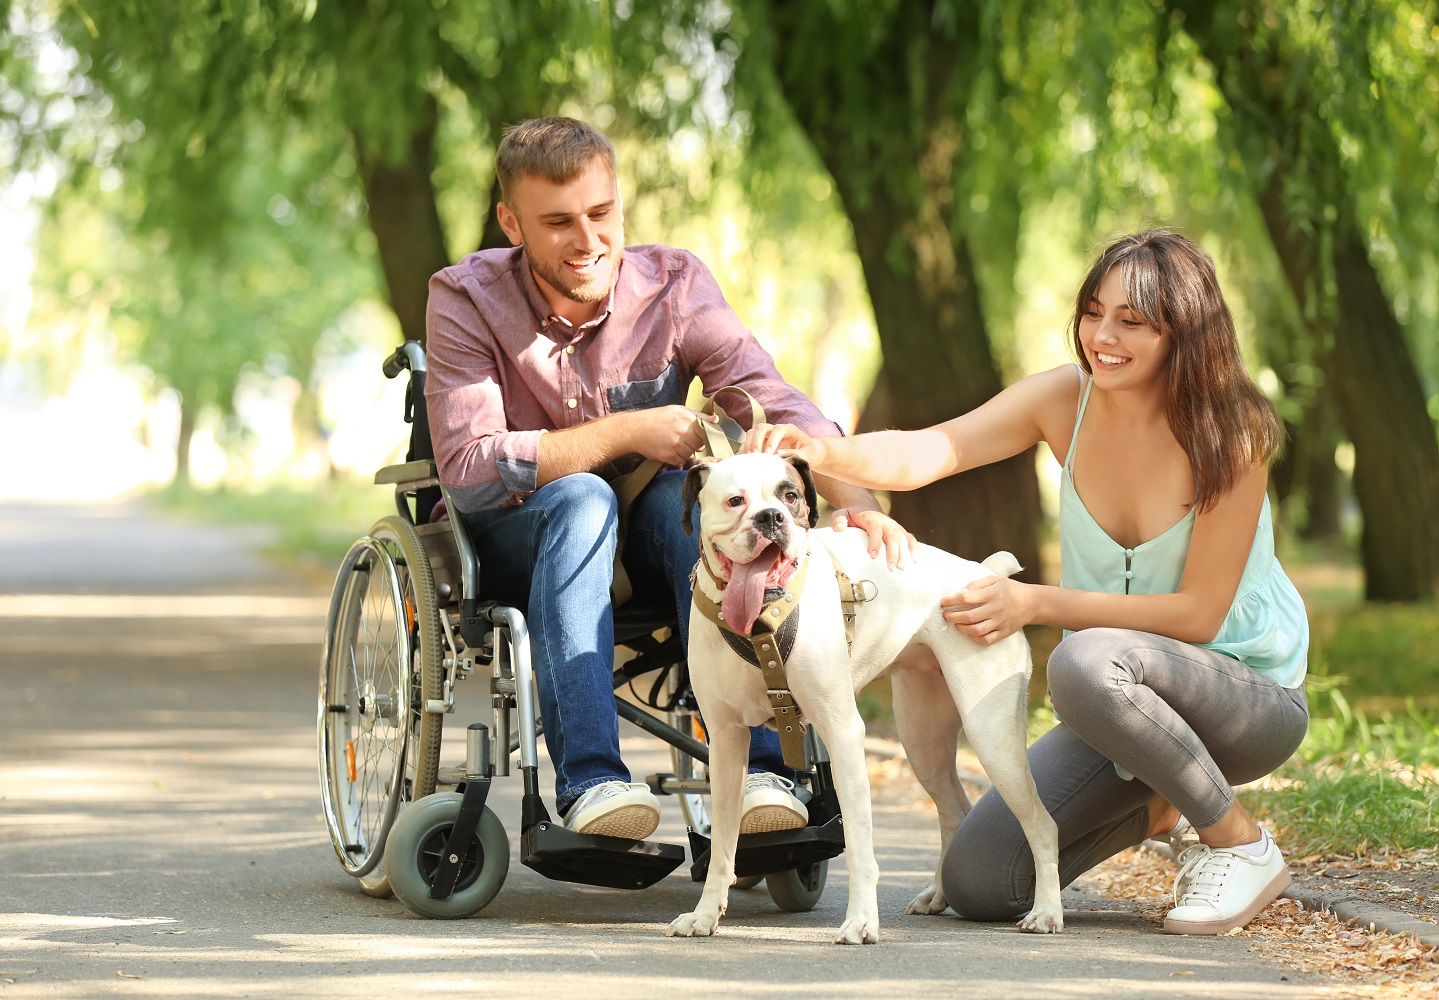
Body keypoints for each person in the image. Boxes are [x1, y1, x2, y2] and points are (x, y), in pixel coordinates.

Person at [745, 229, 1309, 935]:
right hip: (1121, 704)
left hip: (1245, 698)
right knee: (980, 881)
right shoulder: (1065, 400)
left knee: (1083, 659)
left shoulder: (1233, 429)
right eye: (1093, 311)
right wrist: (824, 450)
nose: (1102, 336)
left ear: (1186, 333)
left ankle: (1239, 843)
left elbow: (1198, 615)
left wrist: (1034, 603)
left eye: (1132, 322)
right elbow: (933, 450)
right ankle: (1165, 801)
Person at [423, 117, 909, 843]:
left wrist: (860, 504)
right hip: (513, 536)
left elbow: (767, 398)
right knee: (584, 496)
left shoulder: (674, 285)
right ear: (510, 221)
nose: (587, 240)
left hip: (649, 541)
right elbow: (468, 471)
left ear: (619, 200)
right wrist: (623, 431)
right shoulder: (463, 297)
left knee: (712, 502)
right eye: (557, 222)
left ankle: (763, 776)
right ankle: (592, 782)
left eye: (600, 213)